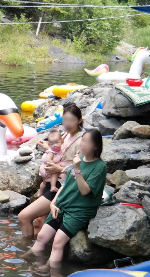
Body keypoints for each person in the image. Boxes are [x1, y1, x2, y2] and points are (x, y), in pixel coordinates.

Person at [24, 129, 107, 266]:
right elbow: (66, 184)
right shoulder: (79, 159)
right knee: (41, 237)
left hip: (79, 211)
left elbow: (85, 191)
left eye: (88, 142)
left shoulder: (99, 166)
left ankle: (49, 271)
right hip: (63, 204)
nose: (83, 144)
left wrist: (77, 169)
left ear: (96, 146)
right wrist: (53, 202)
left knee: (57, 243)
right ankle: (29, 259)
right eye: (83, 140)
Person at [18, 104, 84, 238]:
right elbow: (58, 151)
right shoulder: (65, 135)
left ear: (80, 120)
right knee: (38, 222)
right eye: (65, 120)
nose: (67, 124)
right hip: (50, 182)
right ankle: (36, 252)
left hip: (62, 186)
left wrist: (58, 169)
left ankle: (24, 250)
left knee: (23, 216)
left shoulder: (82, 140)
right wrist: (47, 147)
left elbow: (82, 168)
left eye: (71, 120)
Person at [38, 130, 66, 196]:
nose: (54, 145)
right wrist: (54, 165)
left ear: (62, 141)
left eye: (57, 142)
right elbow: (48, 159)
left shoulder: (58, 150)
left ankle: (40, 193)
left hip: (44, 168)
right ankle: (52, 186)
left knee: (44, 183)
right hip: (47, 168)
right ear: (49, 145)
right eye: (52, 144)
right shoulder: (51, 152)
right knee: (55, 173)